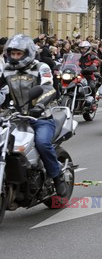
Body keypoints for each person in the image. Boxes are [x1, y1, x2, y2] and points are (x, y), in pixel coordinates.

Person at [0, 35, 67, 197]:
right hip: (14, 117)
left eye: (19, 54)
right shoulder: (6, 70)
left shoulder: (41, 67)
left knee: (42, 143)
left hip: (41, 117)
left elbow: (48, 88)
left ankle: (57, 176)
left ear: (27, 53)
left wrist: (40, 105)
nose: (15, 57)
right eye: (13, 54)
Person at [78, 40, 100, 106]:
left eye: (84, 49)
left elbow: (96, 62)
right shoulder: (78, 56)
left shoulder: (91, 56)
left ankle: (92, 100)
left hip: (88, 75)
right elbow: (70, 61)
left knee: (91, 86)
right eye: (81, 48)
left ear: (88, 49)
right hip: (78, 75)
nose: (83, 50)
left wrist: (93, 66)